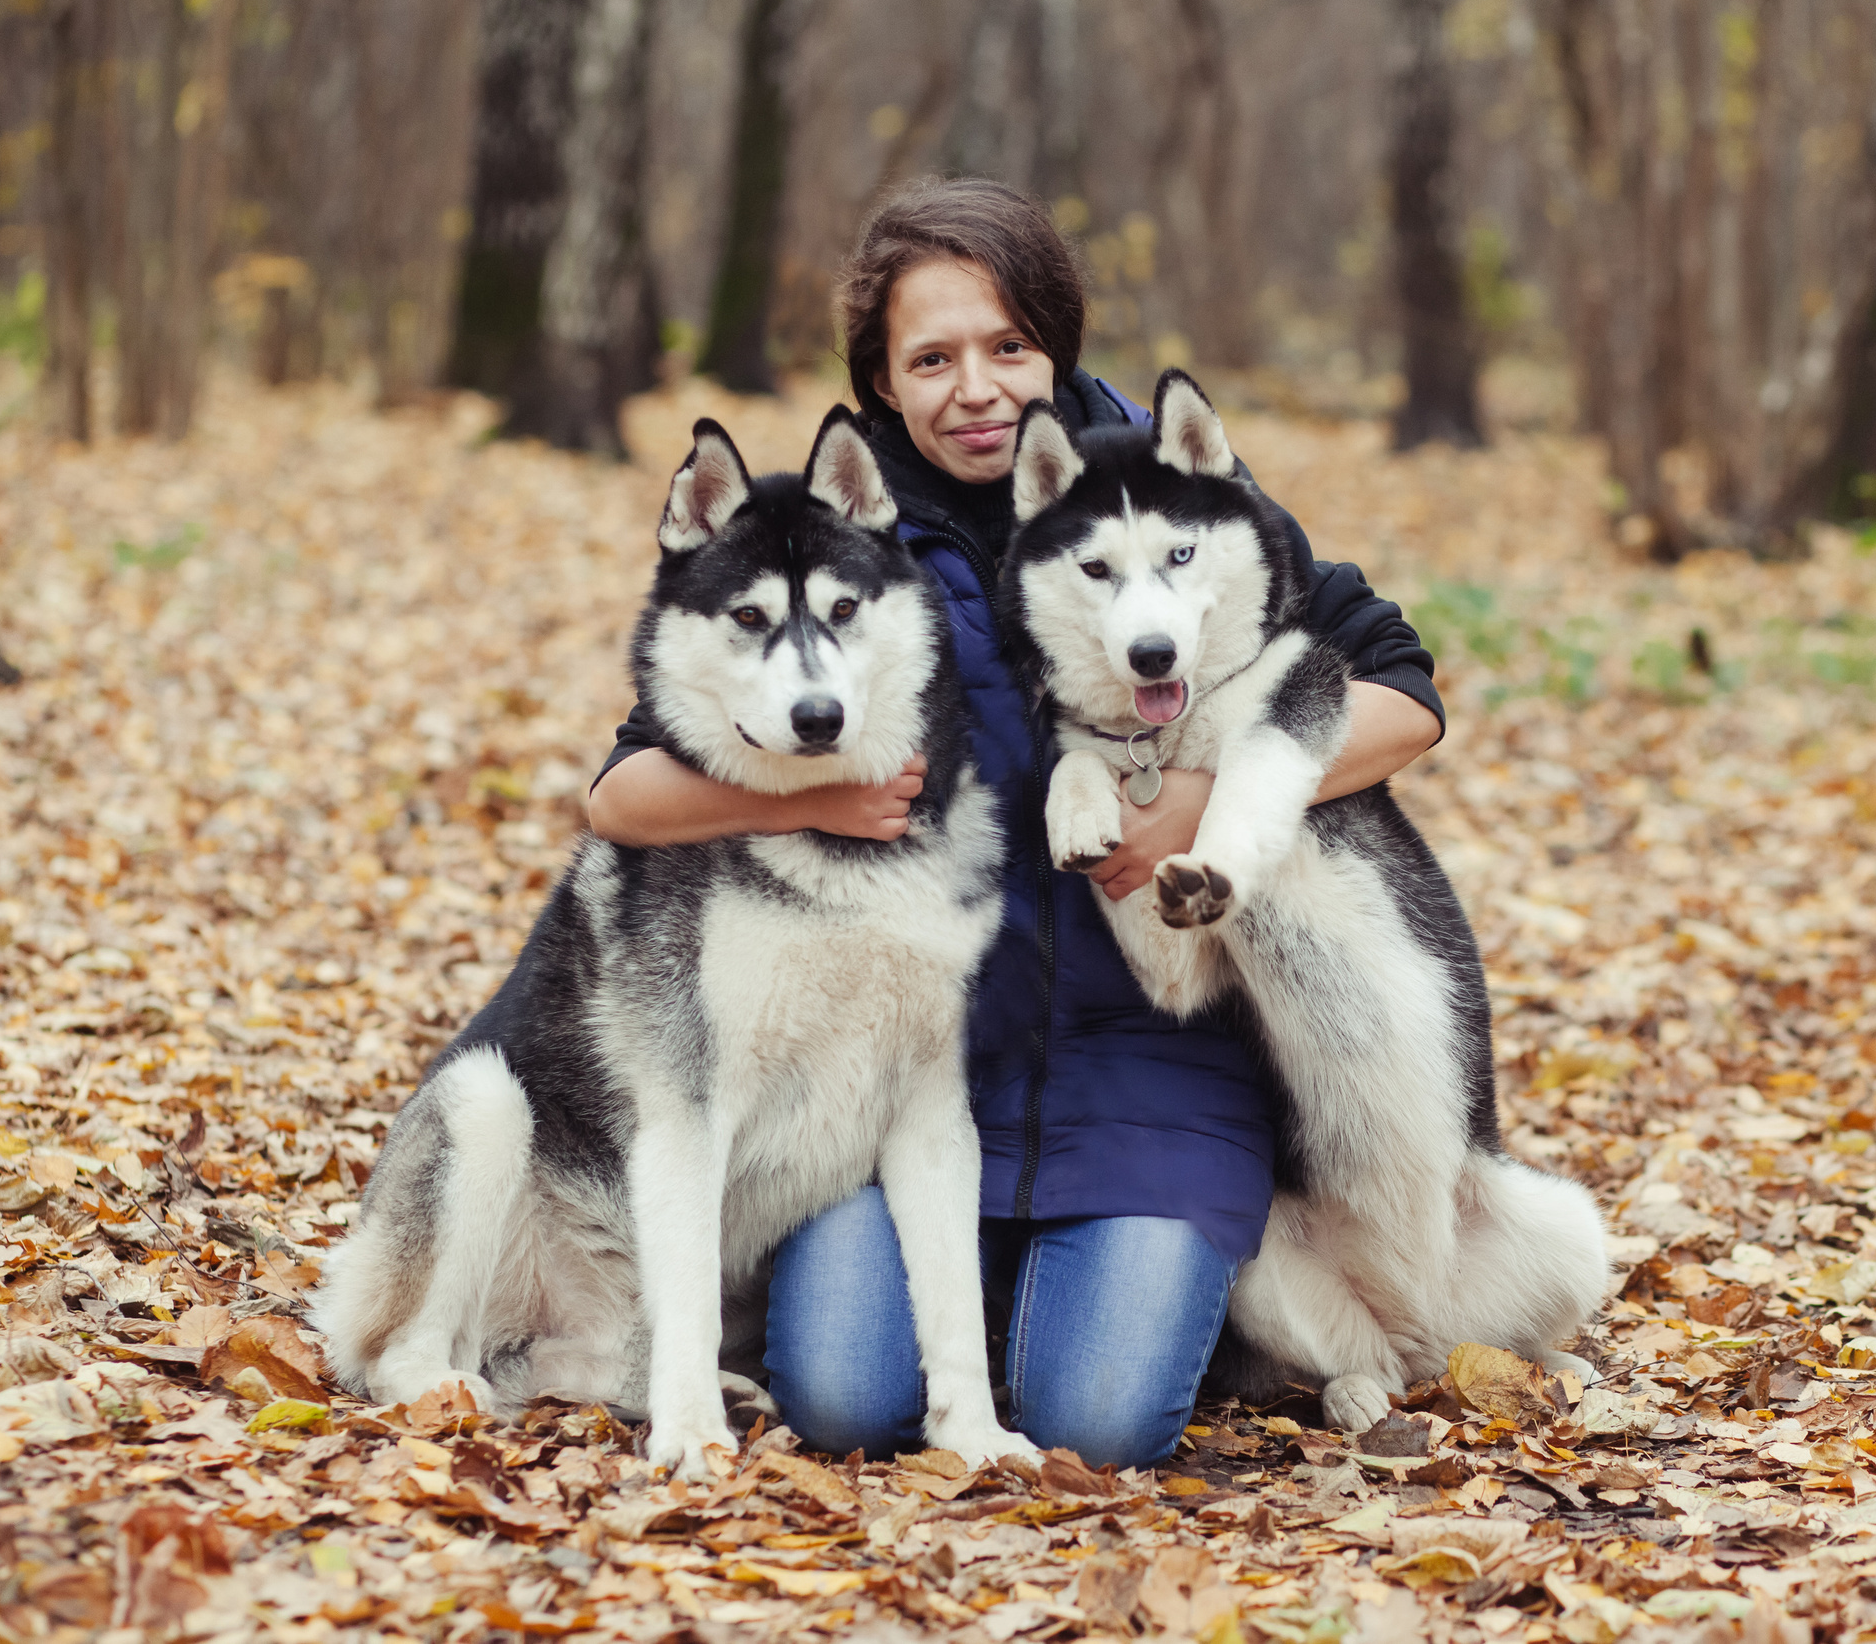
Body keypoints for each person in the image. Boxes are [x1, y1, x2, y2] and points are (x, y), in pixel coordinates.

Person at [587, 177, 1445, 1468]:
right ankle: (985, 1303)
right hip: (909, 1076)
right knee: (843, 1402)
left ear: (1057, 341)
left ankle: (1162, 1289)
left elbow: (1404, 695)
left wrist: (1208, 804)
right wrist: (822, 792)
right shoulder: (841, 535)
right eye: (930, 359)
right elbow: (623, 794)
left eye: (1008, 346)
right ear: (880, 381)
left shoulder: (1165, 479)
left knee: (1098, 1422)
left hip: (1154, 1066)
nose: (976, 387)